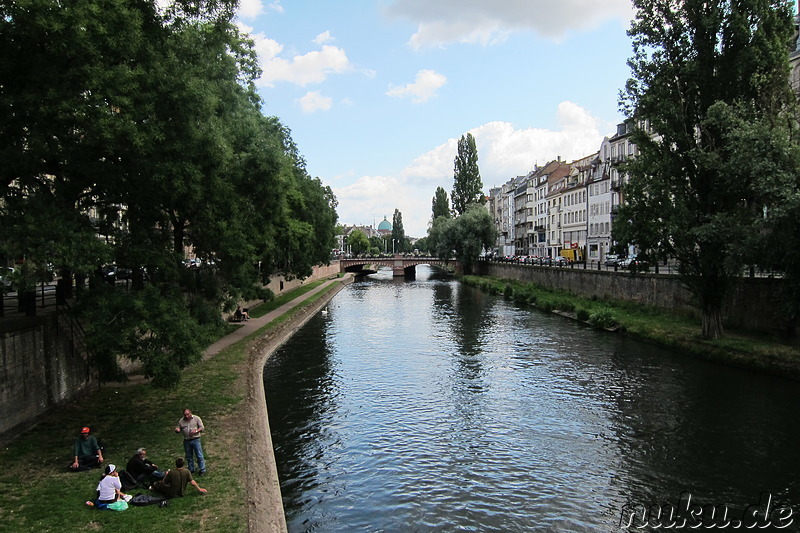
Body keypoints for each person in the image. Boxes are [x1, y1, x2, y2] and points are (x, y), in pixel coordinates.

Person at [175, 408, 206, 475]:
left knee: (199, 455)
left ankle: (202, 469)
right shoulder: (181, 421)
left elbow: (202, 427)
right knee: (189, 456)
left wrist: (196, 431)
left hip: (195, 439)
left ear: (190, 413)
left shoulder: (196, 418)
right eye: (185, 415)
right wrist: (177, 429)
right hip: (187, 440)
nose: (186, 416)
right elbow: (178, 427)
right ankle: (191, 469)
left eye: (187, 414)